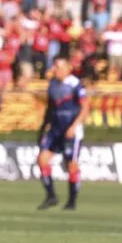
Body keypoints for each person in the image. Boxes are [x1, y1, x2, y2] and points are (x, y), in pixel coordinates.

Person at [35, 56, 87, 210]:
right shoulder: (52, 85)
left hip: (71, 130)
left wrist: (74, 126)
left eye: (58, 67)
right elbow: (50, 108)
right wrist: (44, 127)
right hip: (55, 129)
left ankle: (72, 201)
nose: (54, 70)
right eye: (54, 66)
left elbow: (85, 108)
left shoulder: (75, 85)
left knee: (71, 165)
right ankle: (51, 196)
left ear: (67, 68)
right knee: (42, 159)